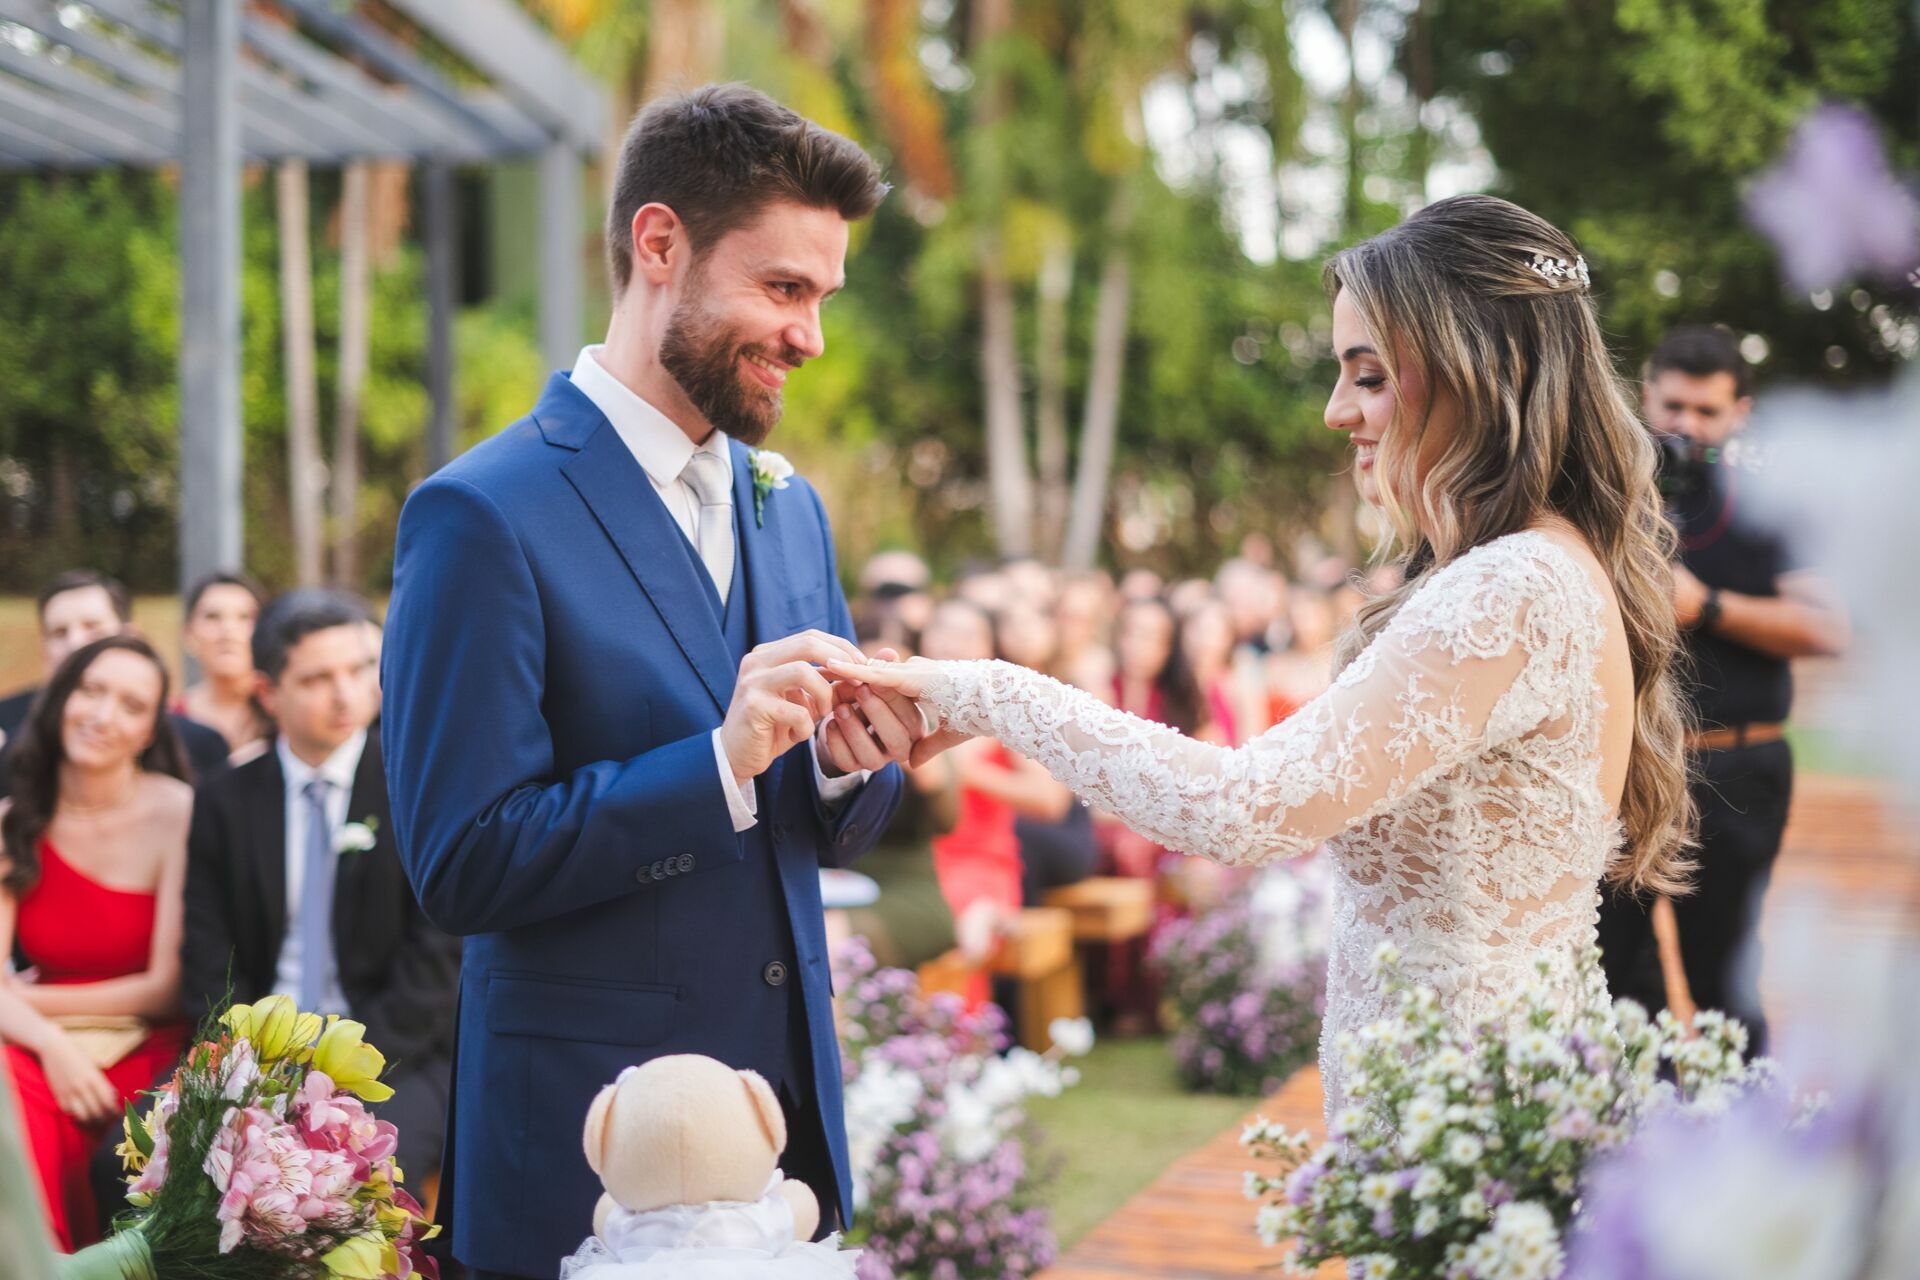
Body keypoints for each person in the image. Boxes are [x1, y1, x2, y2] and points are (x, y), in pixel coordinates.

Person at [830, 195, 1694, 1119]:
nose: (1336, 412)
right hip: (1456, 1110)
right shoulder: (1533, 567)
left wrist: (986, 690)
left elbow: (1242, 809)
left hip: (1474, 1117)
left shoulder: (1514, 585)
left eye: (1369, 377)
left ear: (1478, 374)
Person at [379, 85, 916, 1280]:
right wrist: (717, 765)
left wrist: (842, 765)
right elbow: (462, 860)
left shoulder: (792, 508)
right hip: (588, 1152)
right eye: (784, 290)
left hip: (776, 1147)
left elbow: (812, 831)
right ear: (659, 244)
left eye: (821, 298)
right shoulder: (481, 514)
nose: (810, 336)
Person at [1595, 326, 1849, 1054]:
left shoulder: (1771, 507)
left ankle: (1745, 1144)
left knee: (1724, 989)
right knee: (1617, 986)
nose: (1687, 426)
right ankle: (1639, 1149)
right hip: (1625, 773)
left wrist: (1706, 607)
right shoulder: (1613, 500)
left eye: (1708, 412)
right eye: (1674, 406)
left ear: (1741, 410)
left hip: (1737, 772)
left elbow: (1828, 629)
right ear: (1647, 399)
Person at [179, 590, 460, 1184]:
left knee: (355, 1181)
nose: (345, 694)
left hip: (392, 1057)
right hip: (255, 1057)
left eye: (359, 670)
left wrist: (343, 1072)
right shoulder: (224, 801)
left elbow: (438, 955)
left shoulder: (416, 786)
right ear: (267, 692)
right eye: (316, 678)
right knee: (157, 1166)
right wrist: (245, 1067)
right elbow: (208, 955)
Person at [0, 635, 192, 1250]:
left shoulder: (177, 812)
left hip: (145, 1043)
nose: (103, 715)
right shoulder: (14, 818)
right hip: (34, 1044)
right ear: (62, 696)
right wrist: (52, 1042)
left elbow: (164, 989)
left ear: (149, 732)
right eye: (91, 690)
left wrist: (24, 1003)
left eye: (131, 706)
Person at [0, 571, 228, 795]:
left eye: (93, 627)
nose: (76, 643)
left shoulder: (198, 745)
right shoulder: (6, 731)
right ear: (44, 648)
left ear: (130, 636)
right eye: (60, 633)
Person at [176, 571, 272, 763]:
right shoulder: (171, 721)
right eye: (212, 617)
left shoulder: (284, 714)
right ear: (188, 633)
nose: (228, 630)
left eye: (244, 617)